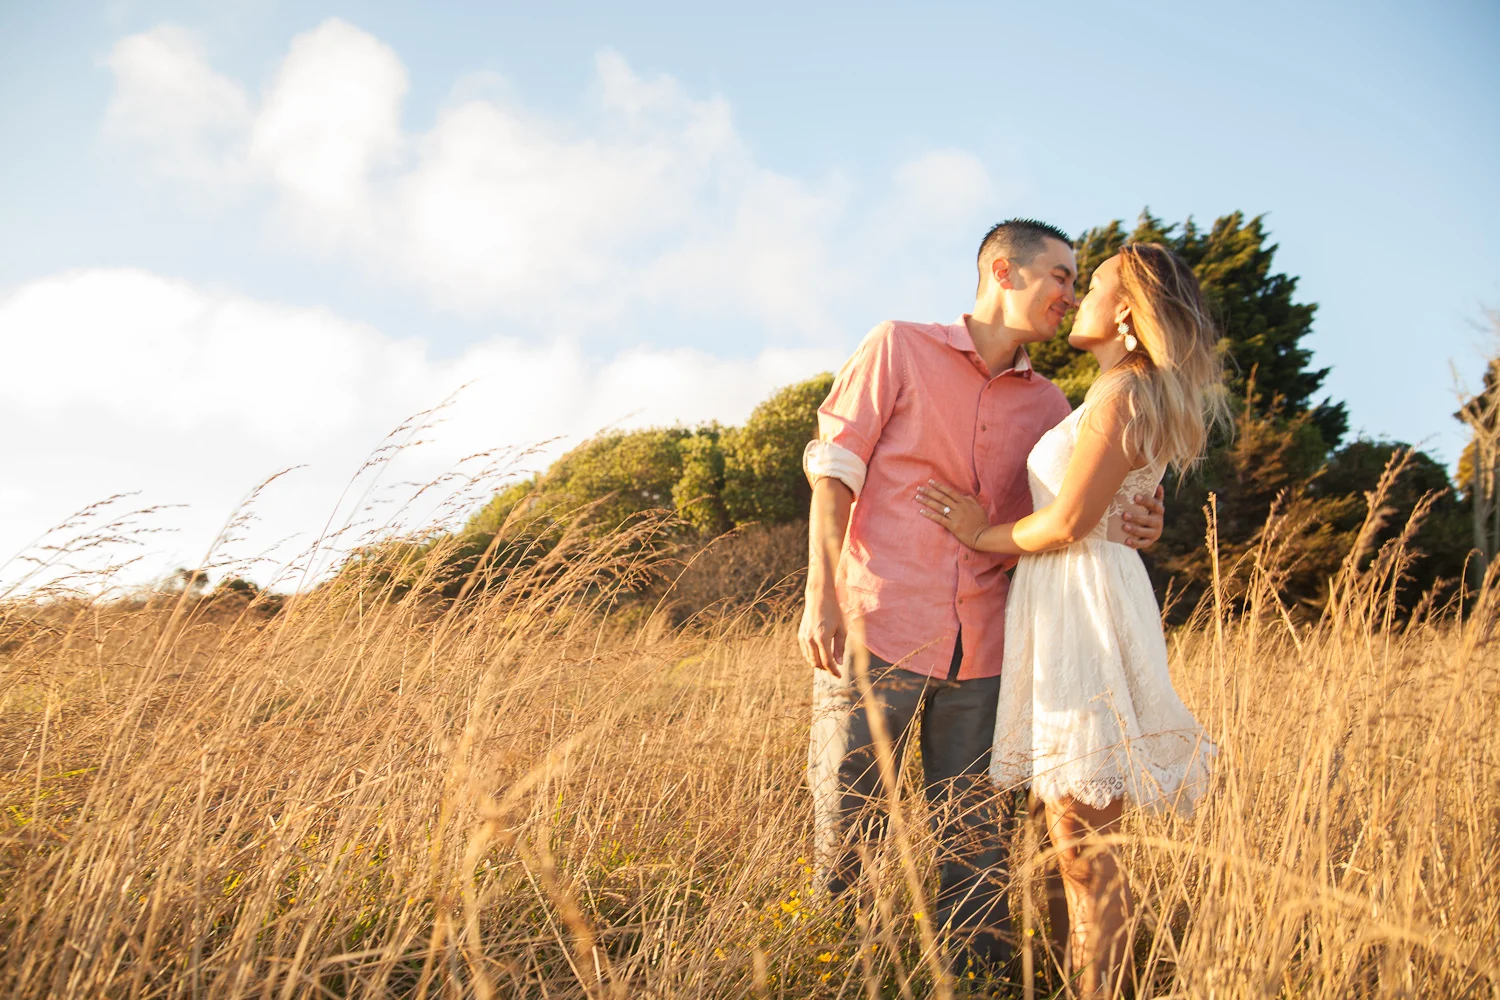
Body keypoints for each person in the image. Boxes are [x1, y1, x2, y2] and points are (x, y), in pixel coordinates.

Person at [800, 219, 1167, 976]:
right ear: (1004, 272)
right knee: (850, 826)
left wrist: (1143, 513)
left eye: (1078, 281)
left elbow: (1075, 503)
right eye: (1061, 276)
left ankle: (975, 983)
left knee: (974, 846)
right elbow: (834, 470)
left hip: (990, 654)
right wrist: (822, 594)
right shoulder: (898, 346)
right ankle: (835, 974)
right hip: (878, 629)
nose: (1071, 293)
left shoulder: (1054, 402)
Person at [917, 242, 1226, 996]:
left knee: (1084, 842)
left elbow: (1065, 523)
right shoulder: (1112, 395)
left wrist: (976, 533)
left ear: (1123, 309)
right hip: (1069, 600)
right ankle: (1073, 983)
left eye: (1089, 287)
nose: (1076, 298)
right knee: (1068, 832)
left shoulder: (1126, 395)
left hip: (1082, 602)